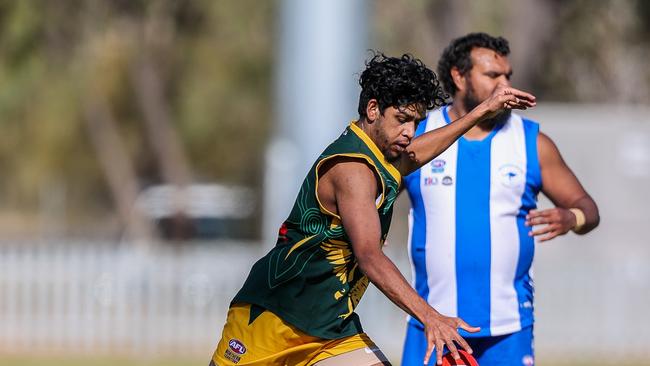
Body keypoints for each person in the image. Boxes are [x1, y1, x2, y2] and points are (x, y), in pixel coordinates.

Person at [210, 52, 535, 366]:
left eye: (416, 122)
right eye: (402, 120)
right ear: (373, 109)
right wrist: (431, 317)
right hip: (273, 316)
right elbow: (369, 256)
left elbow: (416, 154)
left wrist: (481, 111)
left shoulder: (379, 154)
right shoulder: (353, 169)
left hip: (330, 328)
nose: (409, 132)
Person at [401, 33, 600, 366]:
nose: (504, 84)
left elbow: (588, 208)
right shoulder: (421, 137)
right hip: (432, 324)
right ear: (459, 76)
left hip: (509, 328)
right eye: (493, 75)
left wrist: (572, 218)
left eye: (508, 75)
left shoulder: (531, 142)